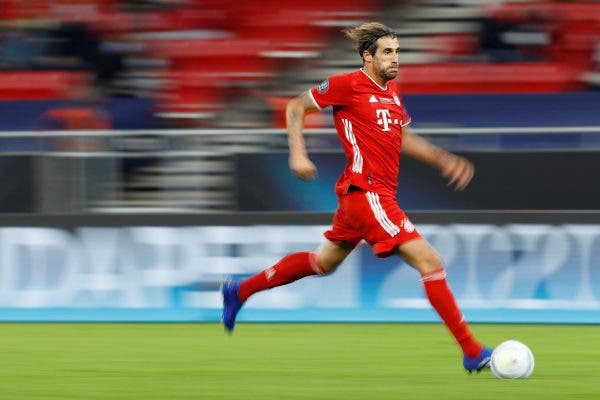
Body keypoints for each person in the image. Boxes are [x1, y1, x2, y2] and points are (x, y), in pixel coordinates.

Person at [222, 22, 492, 373]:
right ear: (368, 56)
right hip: (368, 194)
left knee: (323, 263)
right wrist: (298, 154)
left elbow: (403, 138)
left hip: (361, 196)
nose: (396, 58)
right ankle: (472, 351)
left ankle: (240, 290)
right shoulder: (346, 85)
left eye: (397, 51)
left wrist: (443, 158)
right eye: (387, 52)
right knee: (431, 263)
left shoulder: (392, 93)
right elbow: (294, 106)